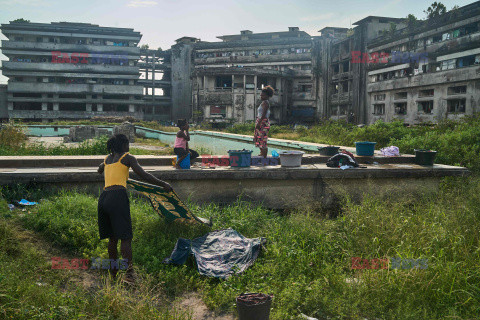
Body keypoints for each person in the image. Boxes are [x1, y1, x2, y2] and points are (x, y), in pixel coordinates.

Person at [97, 134, 172, 284]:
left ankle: (113, 273)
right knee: (125, 238)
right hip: (118, 197)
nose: (129, 147)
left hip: (104, 198)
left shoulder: (107, 159)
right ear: (124, 145)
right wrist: (163, 184)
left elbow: (99, 170)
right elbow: (144, 175)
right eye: (128, 144)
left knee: (112, 238)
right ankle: (130, 275)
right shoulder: (128, 157)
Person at [254, 85, 274, 158]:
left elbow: (264, 114)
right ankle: (262, 153)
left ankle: (264, 156)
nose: (261, 96)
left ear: (267, 96)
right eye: (261, 95)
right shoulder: (264, 102)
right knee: (259, 138)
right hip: (261, 121)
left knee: (262, 139)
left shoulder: (265, 103)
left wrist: (259, 123)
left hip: (263, 122)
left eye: (263, 95)